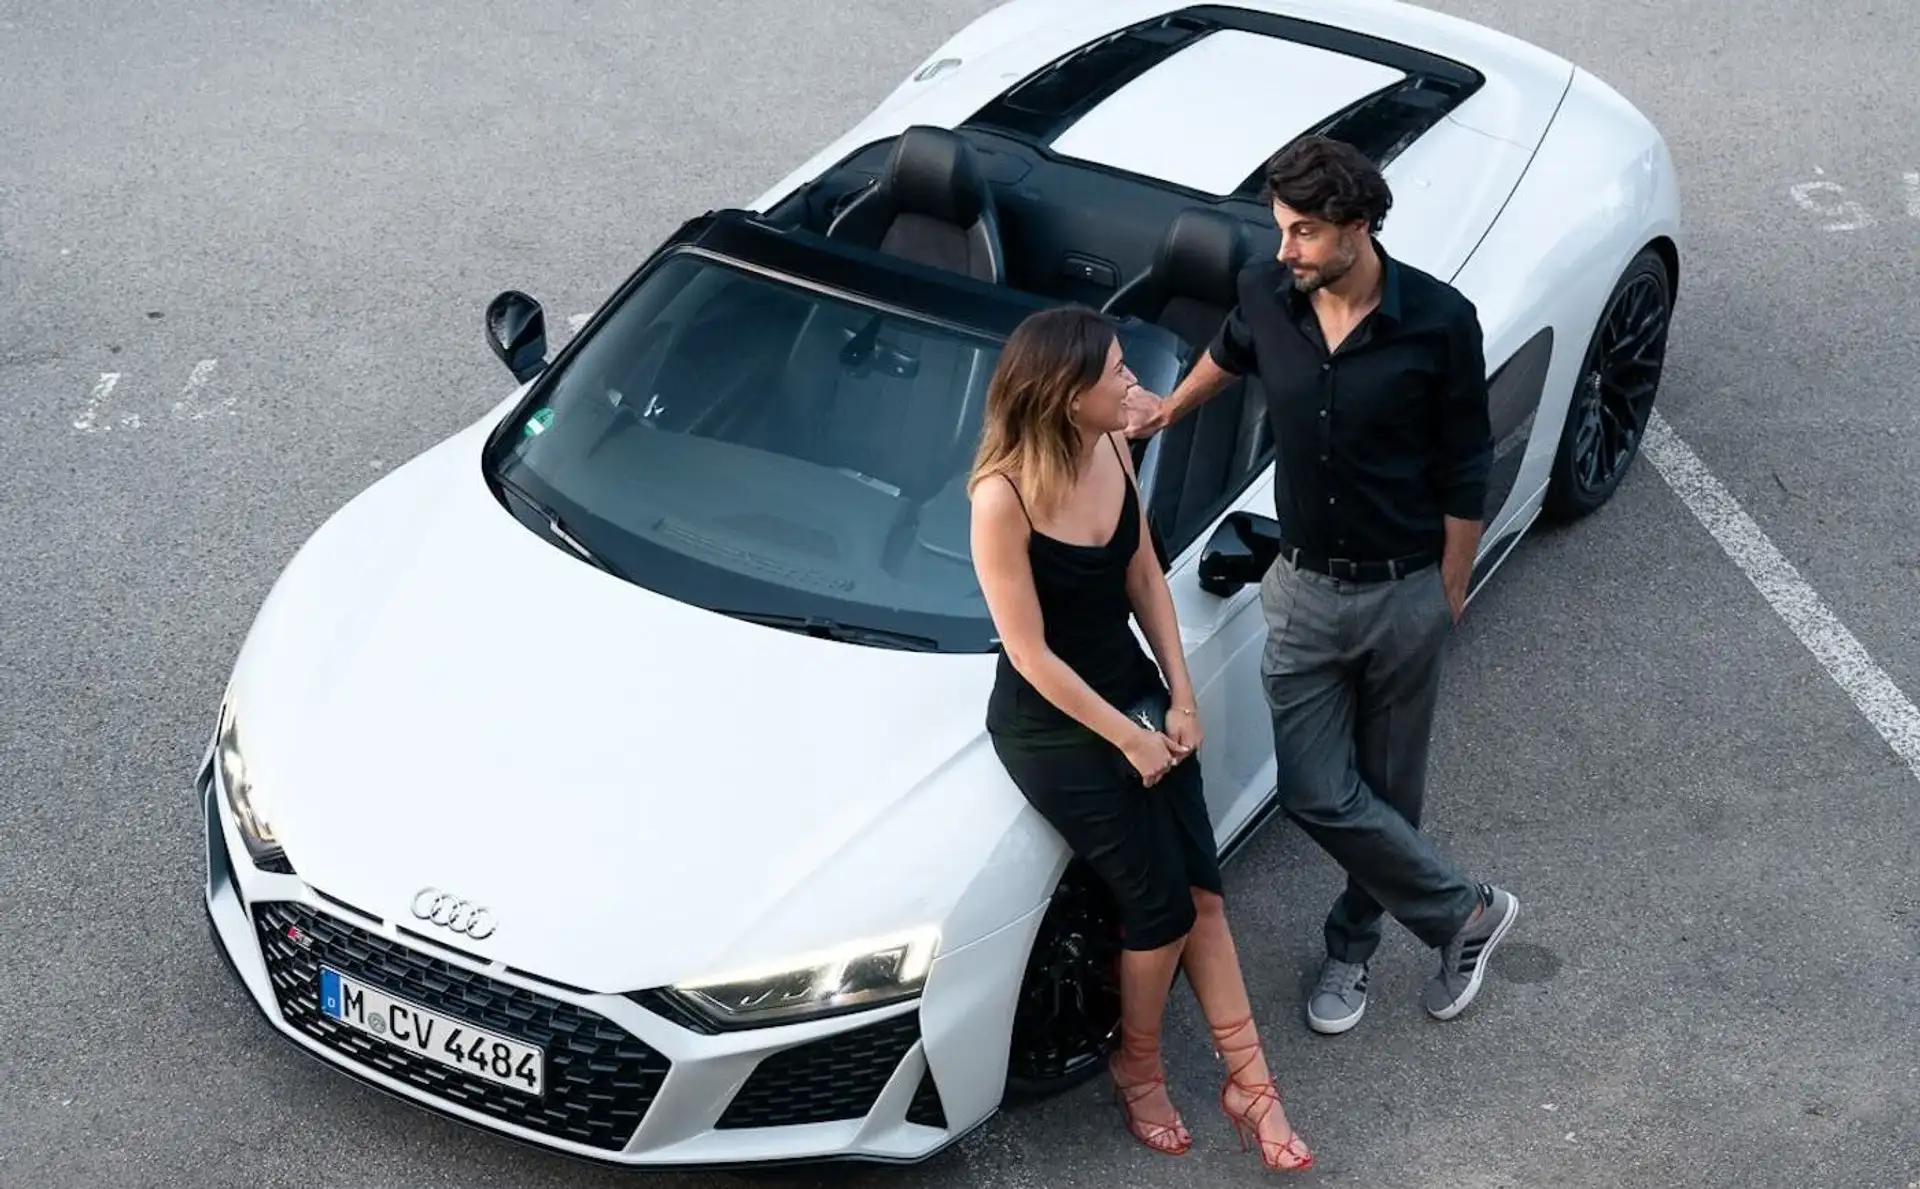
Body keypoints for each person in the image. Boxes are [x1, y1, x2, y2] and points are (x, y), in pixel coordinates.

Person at [1126, 135, 1520, 1037]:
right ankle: (1467, 912)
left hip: (1403, 590)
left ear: (1359, 226)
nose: (1285, 251)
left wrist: (1447, 588)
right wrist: (1166, 410)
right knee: (1314, 790)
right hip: (1301, 587)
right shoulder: (1270, 292)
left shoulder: (1438, 321)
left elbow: (1466, 461)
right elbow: (1231, 349)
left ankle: (1352, 950)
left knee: (1387, 788)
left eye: (1303, 232)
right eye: (1279, 230)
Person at [969, 306, 1313, 1171]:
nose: (1132, 384)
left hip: (1131, 696)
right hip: (1054, 725)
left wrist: (1182, 697)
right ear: (1062, 395)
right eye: (1114, 373)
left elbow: (1145, 575)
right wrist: (1129, 738)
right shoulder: (1001, 497)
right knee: (1156, 909)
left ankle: (1252, 1085)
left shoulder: (1115, 444)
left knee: (1204, 893)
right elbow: (1030, 654)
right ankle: (1139, 1069)